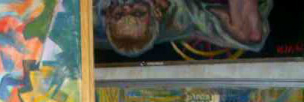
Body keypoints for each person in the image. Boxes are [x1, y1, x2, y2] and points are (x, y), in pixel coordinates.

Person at [94, 0, 272, 58]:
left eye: (119, 13)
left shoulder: (91, 12)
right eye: (138, 12)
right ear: (156, 13)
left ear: (109, 15)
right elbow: (251, 34)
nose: (127, 4)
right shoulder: (180, 18)